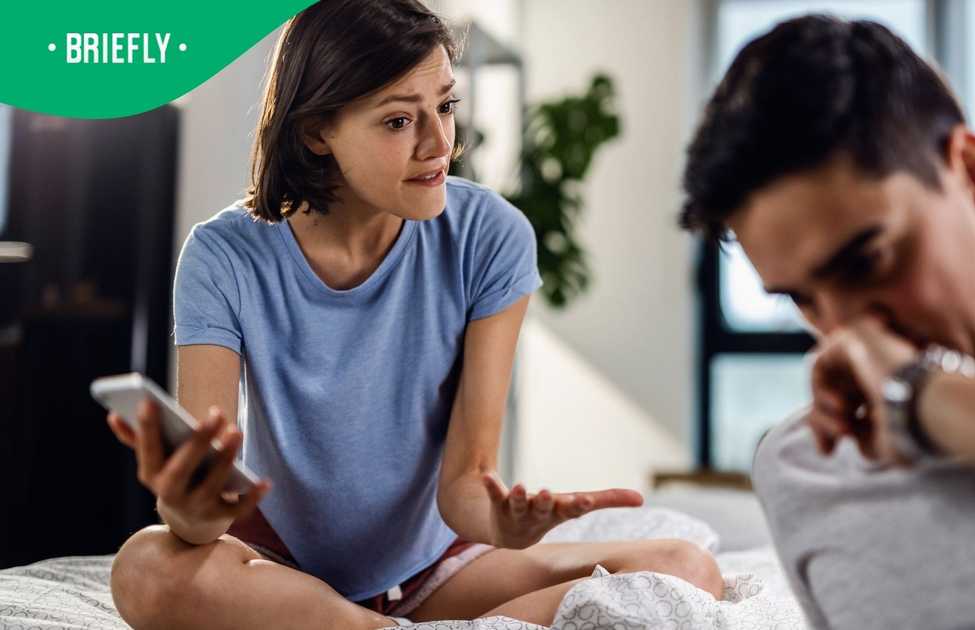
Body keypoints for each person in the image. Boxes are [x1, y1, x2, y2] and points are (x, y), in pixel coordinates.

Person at [104, 2, 723, 628]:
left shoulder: (492, 237)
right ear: (317, 130)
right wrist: (186, 507)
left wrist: (505, 524)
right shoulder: (222, 255)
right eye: (399, 120)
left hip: (435, 572)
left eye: (446, 107)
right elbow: (208, 505)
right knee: (145, 568)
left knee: (683, 567)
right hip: (277, 571)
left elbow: (465, 488)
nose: (440, 145)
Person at [680, 14, 975, 630]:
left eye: (869, 262)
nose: (846, 333)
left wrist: (915, 394)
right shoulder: (804, 467)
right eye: (802, 299)